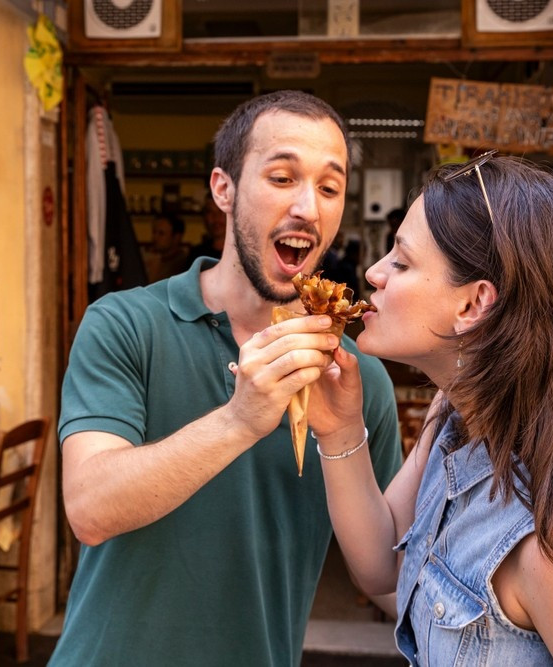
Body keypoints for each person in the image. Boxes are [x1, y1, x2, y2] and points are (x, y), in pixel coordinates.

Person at [306, 153, 553, 665]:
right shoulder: (453, 417)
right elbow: (382, 565)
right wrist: (339, 428)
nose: (374, 273)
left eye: (401, 262)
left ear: (473, 305)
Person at [51, 90, 403, 667]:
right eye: (283, 177)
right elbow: (90, 509)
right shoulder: (125, 326)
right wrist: (242, 419)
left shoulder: (354, 381)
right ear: (224, 188)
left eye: (329, 187)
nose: (308, 209)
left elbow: (389, 576)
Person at [143, 212, 190, 282]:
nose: (154, 237)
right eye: (154, 232)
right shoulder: (152, 259)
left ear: (176, 237)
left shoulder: (183, 264)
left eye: (161, 233)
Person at [187, 191, 227, 262]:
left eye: (221, 211)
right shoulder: (197, 255)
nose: (216, 218)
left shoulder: (241, 253)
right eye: (210, 212)